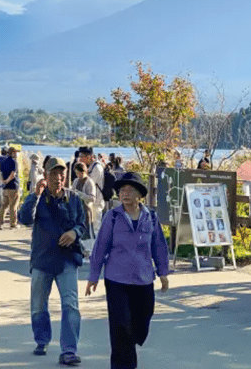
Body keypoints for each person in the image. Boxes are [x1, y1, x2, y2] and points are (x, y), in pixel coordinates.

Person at [86, 172, 170, 369]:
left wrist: (163, 272)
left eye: (130, 190)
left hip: (143, 278)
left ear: (139, 194)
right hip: (117, 279)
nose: (125, 194)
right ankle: (123, 365)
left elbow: (158, 245)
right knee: (120, 325)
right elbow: (100, 248)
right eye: (122, 190)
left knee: (142, 321)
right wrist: (93, 276)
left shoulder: (151, 217)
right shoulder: (112, 217)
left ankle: (128, 349)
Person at [18, 157, 85, 366]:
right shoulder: (38, 199)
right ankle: (42, 339)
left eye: (62, 174)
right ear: (46, 176)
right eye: (54, 174)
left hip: (67, 260)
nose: (58, 178)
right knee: (38, 305)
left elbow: (82, 224)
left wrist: (74, 233)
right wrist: (34, 196)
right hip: (42, 259)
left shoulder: (73, 198)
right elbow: (25, 219)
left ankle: (69, 350)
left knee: (71, 305)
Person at [70, 162, 101, 239]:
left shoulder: (89, 182)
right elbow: (72, 193)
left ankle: (88, 249)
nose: (79, 175)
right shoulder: (75, 181)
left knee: (86, 234)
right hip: (76, 210)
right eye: (77, 173)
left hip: (86, 210)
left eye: (80, 173)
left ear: (85, 172)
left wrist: (81, 195)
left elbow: (92, 198)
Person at [0, 146, 20, 229]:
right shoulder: (14, 162)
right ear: (13, 153)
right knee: (13, 205)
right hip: (13, 186)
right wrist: (7, 181)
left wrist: (3, 181)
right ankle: (13, 223)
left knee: (4, 206)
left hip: (5, 188)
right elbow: (13, 174)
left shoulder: (4, 161)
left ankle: (0, 222)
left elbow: (0, 173)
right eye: (16, 152)